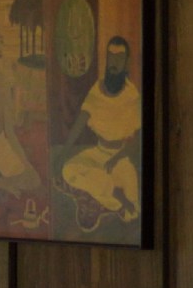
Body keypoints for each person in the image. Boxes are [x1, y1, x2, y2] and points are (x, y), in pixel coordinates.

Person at [58, 36, 143, 223]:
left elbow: (139, 139)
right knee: (68, 169)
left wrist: (118, 158)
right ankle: (116, 200)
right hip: (97, 153)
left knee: (133, 213)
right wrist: (63, 153)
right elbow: (81, 121)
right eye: (111, 57)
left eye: (119, 57)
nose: (114, 62)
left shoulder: (132, 96)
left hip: (120, 157)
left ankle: (99, 196)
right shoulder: (97, 88)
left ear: (127, 61)